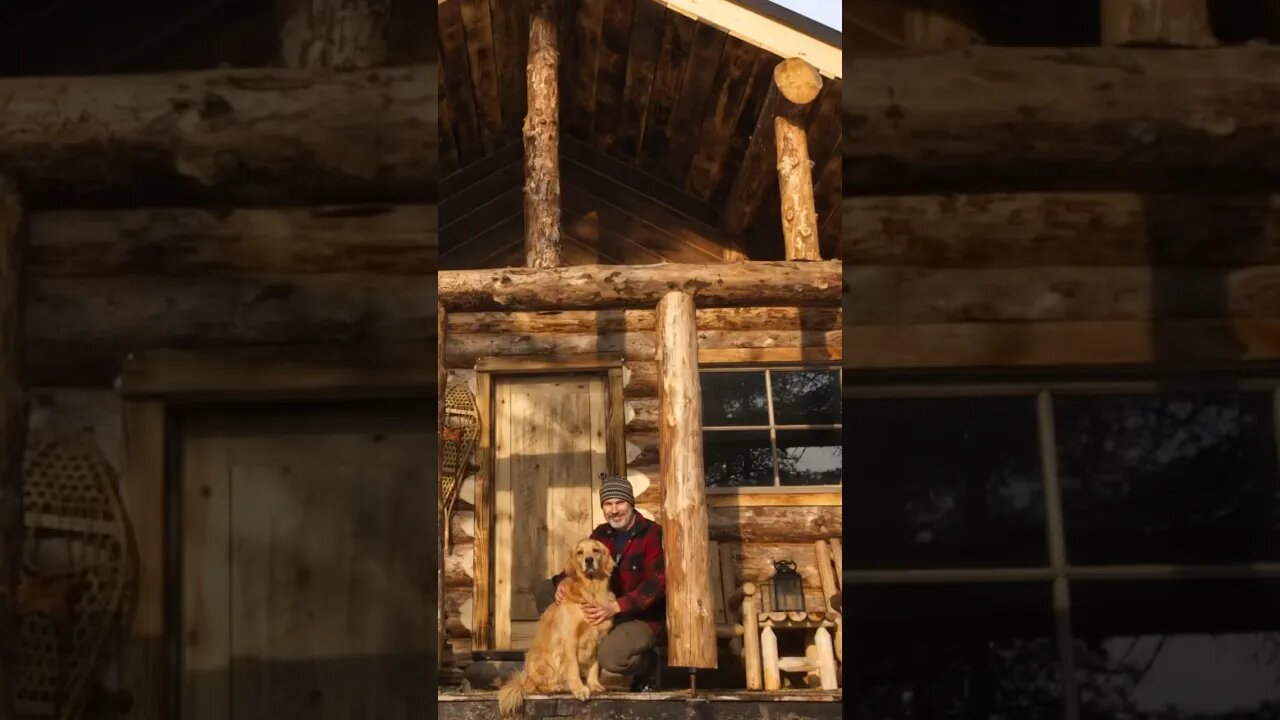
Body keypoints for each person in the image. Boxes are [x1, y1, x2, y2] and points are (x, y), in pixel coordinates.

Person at [534, 473, 664, 691]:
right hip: (606, 607)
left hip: (639, 617)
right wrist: (563, 582)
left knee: (611, 658)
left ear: (631, 503)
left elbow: (657, 584)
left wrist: (616, 606)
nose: (614, 510)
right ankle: (555, 656)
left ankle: (646, 664)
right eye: (608, 504)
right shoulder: (602, 533)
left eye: (620, 502)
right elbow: (581, 562)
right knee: (544, 590)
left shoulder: (652, 533)